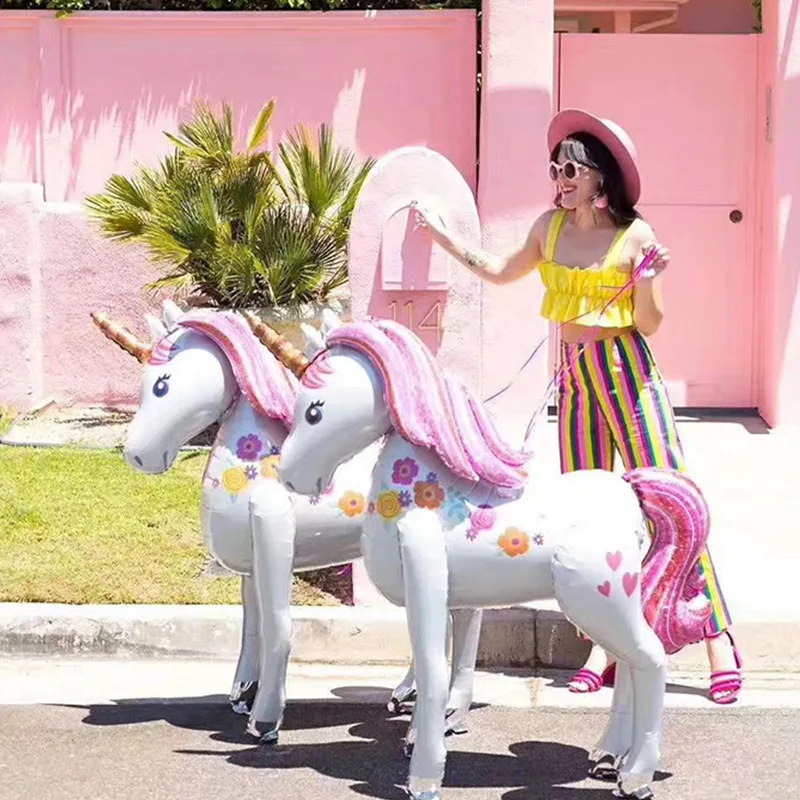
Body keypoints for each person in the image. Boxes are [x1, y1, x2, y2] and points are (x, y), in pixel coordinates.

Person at [411, 108, 743, 704]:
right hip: (575, 377)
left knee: (670, 503)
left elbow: (650, 323)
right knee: (590, 513)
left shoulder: (634, 236)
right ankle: (604, 646)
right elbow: (499, 271)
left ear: (598, 176)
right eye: (554, 169)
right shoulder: (549, 228)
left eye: (570, 170)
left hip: (628, 373)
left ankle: (717, 636)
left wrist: (649, 279)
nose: (559, 179)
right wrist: (444, 238)